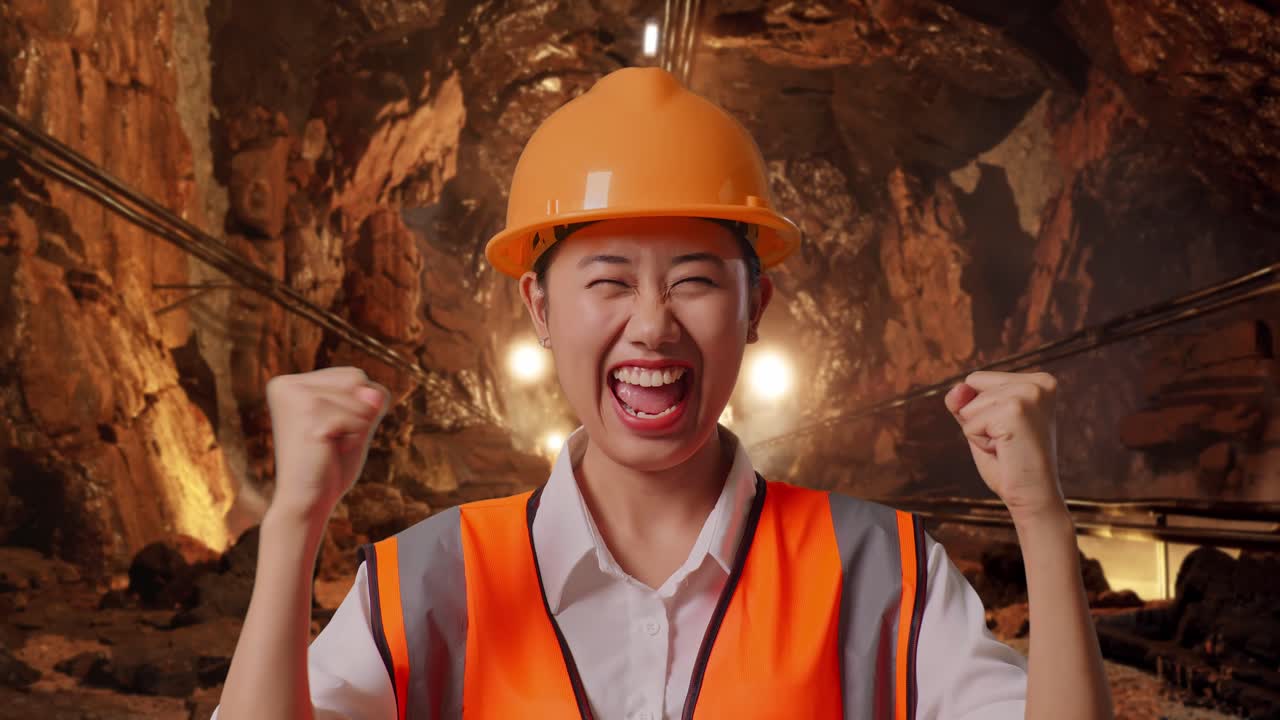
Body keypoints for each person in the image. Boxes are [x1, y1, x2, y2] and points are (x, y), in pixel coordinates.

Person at [214, 67, 1112, 719]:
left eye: (694, 280)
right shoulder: (425, 583)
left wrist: (1040, 515)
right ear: (539, 307)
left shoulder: (885, 572)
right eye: (608, 281)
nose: (652, 326)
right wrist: (293, 524)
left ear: (755, 305)